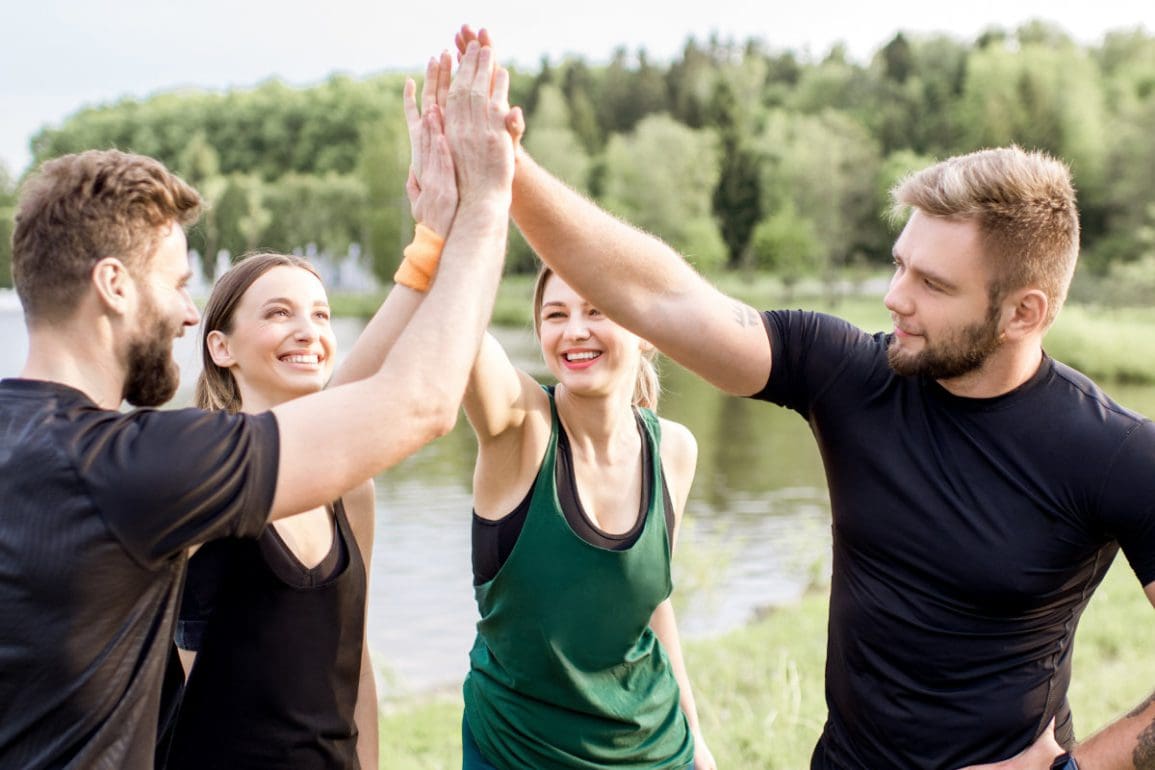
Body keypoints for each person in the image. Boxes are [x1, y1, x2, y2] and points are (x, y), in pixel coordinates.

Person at [453, 26, 1155, 770]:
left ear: (1023, 313)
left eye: (932, 284)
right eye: (899, 265)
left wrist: (1074, 769)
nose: (895, 297)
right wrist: (507, 170)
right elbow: (662, 298)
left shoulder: (1113, 452)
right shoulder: (848, 373)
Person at [0, 38, 516, 769]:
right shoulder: (130, 468)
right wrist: (486, 206)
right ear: (113, 286)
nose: (187, 313)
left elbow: (331, 417)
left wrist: (428, 243)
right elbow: (416, 405)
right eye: (177, 284)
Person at [158, 57, 464, 770]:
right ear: (221, 347)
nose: (308, 331)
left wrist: (436, 234)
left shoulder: (348, 488)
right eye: (279, 313)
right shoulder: (197, 474)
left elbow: (355, 662)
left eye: (321, 315)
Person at [454, 261, 716, 770]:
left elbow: (650, 605)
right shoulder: (521, 429)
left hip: (656, 751)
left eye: (597, 311)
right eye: (556, 315)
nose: (574, 331)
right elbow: (460, 327)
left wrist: (697, 738)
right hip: (517, 752)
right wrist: (448, 236)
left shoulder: (673, 450)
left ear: (645, 330)